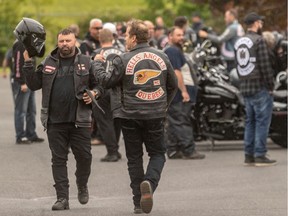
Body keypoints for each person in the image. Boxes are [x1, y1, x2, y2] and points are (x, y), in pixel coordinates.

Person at [94, 19, 178, 214]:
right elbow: (172, 85)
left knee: (134, 158)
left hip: (129, 114)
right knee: (157, 154)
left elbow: (106, 81)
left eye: (126, 36)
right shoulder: (162, 56)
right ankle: (149, 182)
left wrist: (97, 65)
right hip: (155, 113)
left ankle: (138, 202)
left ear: (133, 38)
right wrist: (163, 105)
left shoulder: (122, 59)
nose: (124, 40)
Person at [22, 28, 104, 210]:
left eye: (68, 40)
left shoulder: (86, 62)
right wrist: (28, 61)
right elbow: (34, 84)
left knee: (85, 158)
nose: (64, 44)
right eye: (61, 41)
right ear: (57, 42)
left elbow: (99, 85)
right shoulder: (48, 62)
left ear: (75, 41)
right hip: (54, 121)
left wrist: (95, 94)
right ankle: (62, 198)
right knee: (58, 160)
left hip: (80, 120)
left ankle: (82, 184)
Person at [234, 12, 277, 166]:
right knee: (262, 122)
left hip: (245, 86)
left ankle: (249, 154)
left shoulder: (239, 42)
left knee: (250, 121)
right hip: (259, 87)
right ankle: (260, 154)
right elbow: (265, 66)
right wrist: (271, 86)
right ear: (257, 23)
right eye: (261, 23)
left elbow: (238, 66)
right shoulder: (259, 41)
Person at [164, 26, 205, 160]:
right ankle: (189, 150)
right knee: (182, 121)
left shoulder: (175, 50)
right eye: (178, 35)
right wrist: (184, 91)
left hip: (177, 93)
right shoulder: (172, 51)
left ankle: (173, 150)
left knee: (175, 121)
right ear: (170, 36)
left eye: (182, 35)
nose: (181, 38)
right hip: (179, 93)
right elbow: (177, 73)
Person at [92, 28, 123, 162]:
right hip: (118, 90)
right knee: (116, 121)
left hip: (102, 89)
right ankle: (115, 148)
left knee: (105, 122)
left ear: (99, 39)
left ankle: (112, 151)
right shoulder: (122, 53)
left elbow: (92, 73)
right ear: (113, 38)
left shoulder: (96, 53)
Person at [12, 40, 44, 144]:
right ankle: (20, 136)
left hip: (29, 81)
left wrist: (41, 43)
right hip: (22, 83)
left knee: (32, 110)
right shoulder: (20, 44)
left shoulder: (29, 44)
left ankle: (31, 134)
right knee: (21, 111)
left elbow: (40, 54)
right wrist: (22, 82)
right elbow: (17, 63)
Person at [80, 18, 103, 145]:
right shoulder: (85, 44)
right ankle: (90, 134)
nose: (99, 30)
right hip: (90, 80)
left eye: (100, 28)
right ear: (90, 29)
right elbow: (84, 61)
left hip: (103, 80)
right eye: (96, 28)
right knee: (92, 110)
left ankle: (100, 134)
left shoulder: (103, 41)